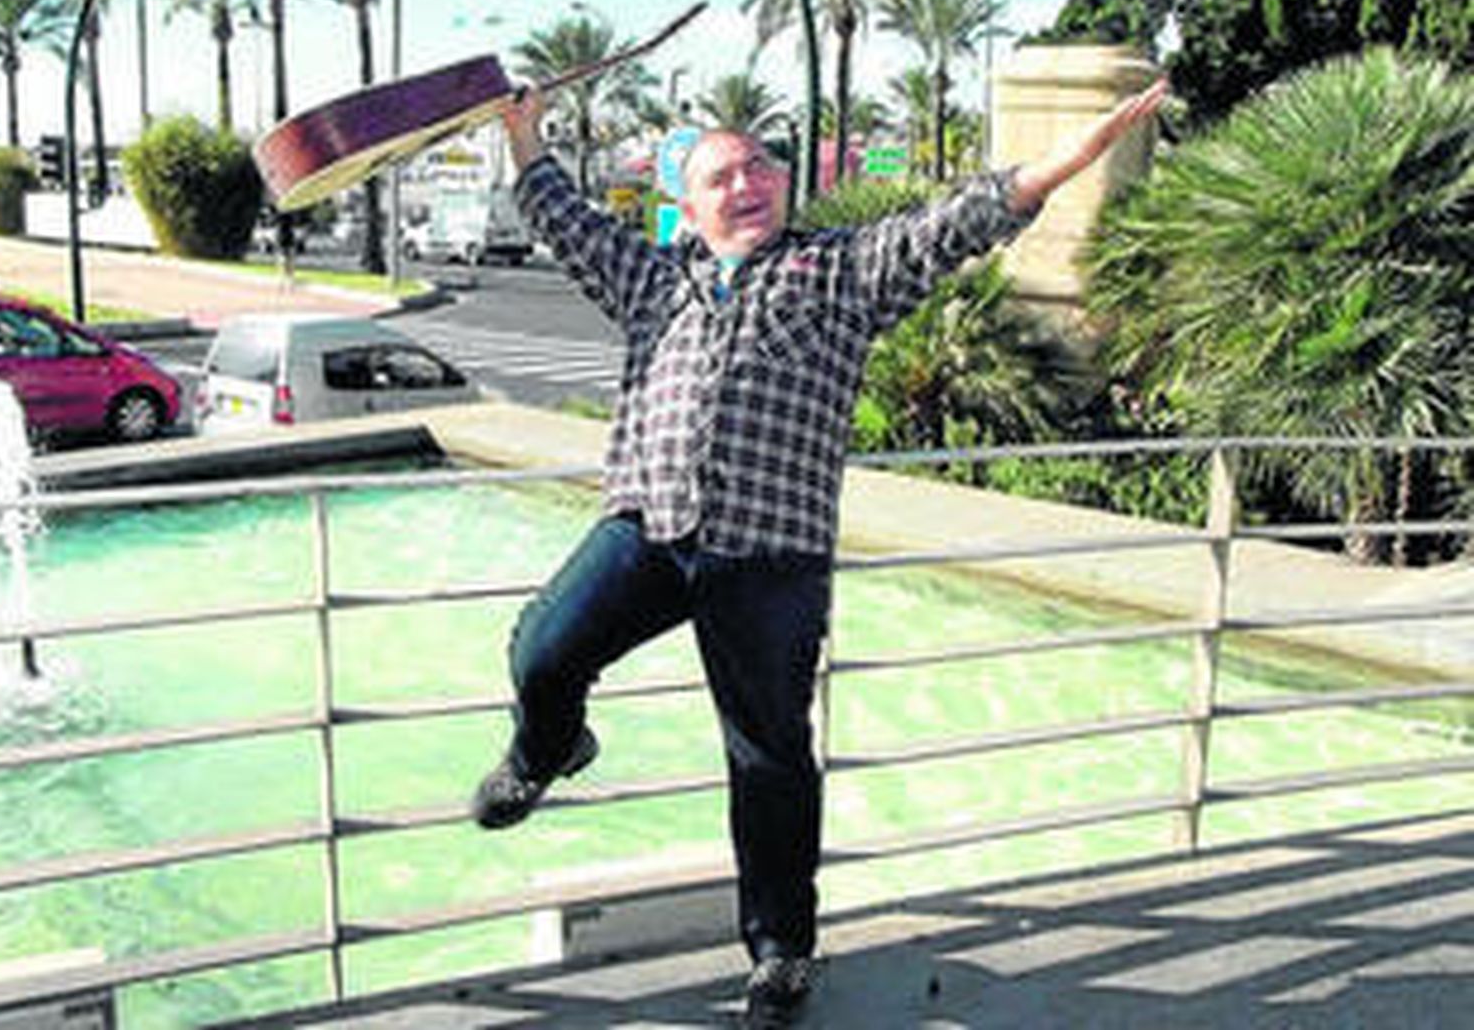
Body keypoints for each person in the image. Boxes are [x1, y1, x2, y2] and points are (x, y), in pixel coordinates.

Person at [471, 77, 1168, 1027]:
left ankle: (780, 953)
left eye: (761, 165)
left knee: (768, 759)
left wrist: (1071, 155)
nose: (748, 181)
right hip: (649, 526)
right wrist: (523, 136)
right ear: (688, 206)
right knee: (541, 649)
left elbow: (957, 221)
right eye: (722, 174)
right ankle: (551, 743)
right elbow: (562, 215)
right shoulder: (650, 280)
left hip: (772, 554)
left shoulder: (839, 272)